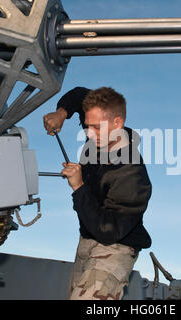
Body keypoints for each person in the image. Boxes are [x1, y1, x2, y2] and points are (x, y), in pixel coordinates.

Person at [43, 86, 152, 300]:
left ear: (117, 123)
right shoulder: (99, 128)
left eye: (95, 128)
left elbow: (107, 231)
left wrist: (79, 186)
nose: (89, 134)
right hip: (86, 240)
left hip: (116, 247)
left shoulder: (132, 175)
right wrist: (62, 113)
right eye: (87, 126)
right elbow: (79, 94)